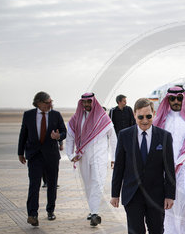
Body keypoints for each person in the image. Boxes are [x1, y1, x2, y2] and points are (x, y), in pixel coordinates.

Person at [111, 98, 175, 234]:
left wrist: (170, 195)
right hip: (133, 196)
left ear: (154, 115)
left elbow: (169, 169)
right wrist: (115, 194)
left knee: (156, 230)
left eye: (148, 116)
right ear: (135, 116)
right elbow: (119, 167)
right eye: (141, 117)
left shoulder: (164, 137)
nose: (145, 120)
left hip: (156, 195)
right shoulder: (124, 135)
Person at [153, 86, 185, 234]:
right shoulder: (160, 121)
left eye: (180, 98)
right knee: (169, 205)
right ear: (168, 100)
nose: (177, 102)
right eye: (173, 99)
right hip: (166, 170)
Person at [66, 93, 117, 226]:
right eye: (85, 102)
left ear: (94, 102)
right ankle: (92, 209)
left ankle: (94, 213)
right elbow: (70, 136)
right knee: (88, 183)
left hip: (100, 156)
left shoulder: (103, 118)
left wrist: (114, 157)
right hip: (83, 156)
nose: (87, 104)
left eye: (89, 102)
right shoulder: (77, 118)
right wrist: (71, 155)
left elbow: (113, 138)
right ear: (81, 103)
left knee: (98, 181)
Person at [18, 91, 66, 226]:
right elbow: (23, 134)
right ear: (38, 103)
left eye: (51, 102)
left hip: (51, 155)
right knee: (34, 185)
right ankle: (32, 214)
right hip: (34, 156)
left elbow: (64, 131)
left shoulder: (55, 115)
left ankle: (50, 210)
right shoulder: (28, 115)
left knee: (52, 184)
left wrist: (59, 137)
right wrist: (20, 152)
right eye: (47, 102)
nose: (50, 104)